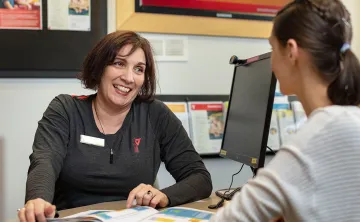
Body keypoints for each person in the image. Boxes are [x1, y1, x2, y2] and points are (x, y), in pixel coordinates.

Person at [17, 30, 212, 222]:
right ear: (100, 67)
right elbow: (44, 162)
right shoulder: (65, 110)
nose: (129, 77)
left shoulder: (155, 114)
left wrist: (165, 195)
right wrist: (38, 200)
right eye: (119, 63)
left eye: (139, 69)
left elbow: (199, 177)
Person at [211, 0, 360, 221]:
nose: (270, 62)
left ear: (291, 51)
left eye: (272, 49)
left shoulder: (316, 140)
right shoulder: (345, 121)